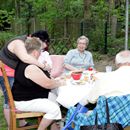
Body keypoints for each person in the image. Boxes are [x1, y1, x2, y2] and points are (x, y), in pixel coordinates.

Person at [65, 50, 130, 130]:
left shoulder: (105, 78)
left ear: (116, 63)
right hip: (127, 119)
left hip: (108, 123)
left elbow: (90, 99)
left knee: (73, 110)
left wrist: (77, 105)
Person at [12, 37, 65, 130]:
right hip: (23, 101)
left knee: (57, 99)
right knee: (54, 109)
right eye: (40, 50)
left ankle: (54, 127)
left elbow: (45, 80)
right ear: (35, 52)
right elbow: (48, 84)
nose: (41, 53)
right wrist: (61, 83)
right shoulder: (30, 67)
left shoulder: (25, 61)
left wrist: (54, 80)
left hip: (28, 95)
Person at [0, 30, 51, 127]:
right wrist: (43, 67)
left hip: (16, 72)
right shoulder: (19, 43)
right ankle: (10, 127)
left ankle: (22, 122)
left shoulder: (28, 43)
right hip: (6, 72)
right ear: (34, 39)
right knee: (9, 100)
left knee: (19, 96)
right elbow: (25, 58)